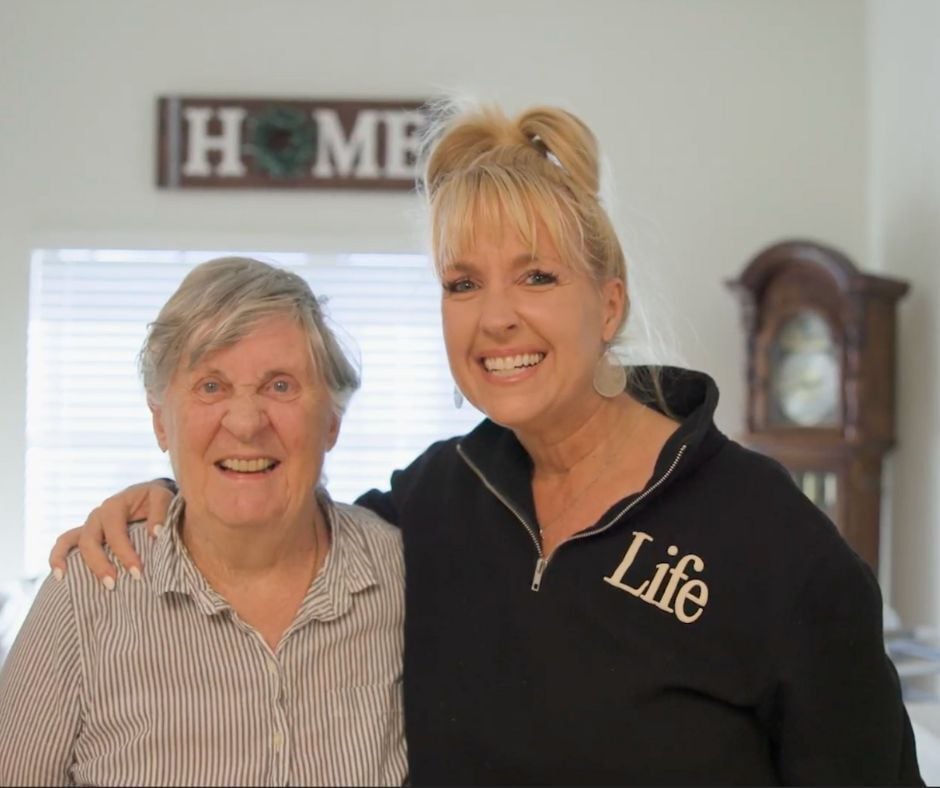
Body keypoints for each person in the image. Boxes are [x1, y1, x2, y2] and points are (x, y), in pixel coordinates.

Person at [50, 103, 921, 785]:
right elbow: (278, 528)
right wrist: (166, 495)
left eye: (536, 276)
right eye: (463, 283)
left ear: (608, 303)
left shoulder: (774, 546)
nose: (496, 315)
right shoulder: (432, 505)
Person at [1, 257, 407, 785]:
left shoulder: (405, 577)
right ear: (160, 422)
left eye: (280, 386)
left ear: (331, 421)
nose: (244, 423)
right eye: (210, 387)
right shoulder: (87, 595)